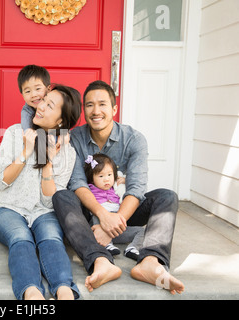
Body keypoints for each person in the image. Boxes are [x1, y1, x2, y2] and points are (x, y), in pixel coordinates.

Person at [52, 80, 185, 295]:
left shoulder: (134, 139)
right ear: (84, 109)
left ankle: (150, 262)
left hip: (124, 210)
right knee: (62, 196)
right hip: (91, 213)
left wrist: (112, 224)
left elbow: (136, 188)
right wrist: (103, 216)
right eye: (89, 105)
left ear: (114, 109)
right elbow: (77, 183)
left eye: (102, 104)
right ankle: (100, 261)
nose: (96, 111)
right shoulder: (76, 138)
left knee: (167, 196)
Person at [0, 84, 82, 300]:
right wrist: (26, 151)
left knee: (51, 238)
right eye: (44, 100)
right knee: (21, 237)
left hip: (43, 212)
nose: (40, 106)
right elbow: (1, 182)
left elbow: (50, 203)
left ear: (61, 120)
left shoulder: (67, 152)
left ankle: (65, 292)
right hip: (8, 208)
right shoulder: (15, 133)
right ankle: (32, 295)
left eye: (50, 105)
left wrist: (48, 162)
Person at [84, 153, 144, 261]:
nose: (106, 179)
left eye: (109, 175)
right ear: (92, 179)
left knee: (141, 231)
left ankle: (133, 248)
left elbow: (131, 191)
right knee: (96, 216)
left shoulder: (116, 188)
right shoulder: (90, 189)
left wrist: (125, 181)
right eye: (101, 176)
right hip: (99, 226)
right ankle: (107, 245)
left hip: (116, 227)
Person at [18, 65, 51, 132]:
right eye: (27, 91)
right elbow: (27, 132)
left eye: (38, 89)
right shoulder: (27, 111)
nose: (33, 95)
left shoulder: (55, 104)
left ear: (48, 89)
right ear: (22, 95)